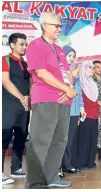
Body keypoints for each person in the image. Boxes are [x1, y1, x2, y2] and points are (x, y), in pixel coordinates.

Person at [25, 12, 77, 189]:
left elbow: (68, 73)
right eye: (56, 26)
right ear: (44, 26)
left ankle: (51, 177)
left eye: (60, 26)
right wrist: (66, 89)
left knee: (59, 140)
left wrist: (70, 88)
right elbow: (41, 73)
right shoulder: (35, 45)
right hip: (46, 99)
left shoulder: (60, 49)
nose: (59, 29)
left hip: (64, 100)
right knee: (40, 141)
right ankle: (34, 182)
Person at [2, 33, 30, 185]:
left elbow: (30, 83)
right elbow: (6, 81)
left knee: (21, 135)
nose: (24, 47)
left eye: (25, 44)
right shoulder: (5, 60)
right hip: (8, 104)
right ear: (12, 45)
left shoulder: (25, 63)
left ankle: (16, 168)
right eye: (21, 44)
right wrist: (22, 97)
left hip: (24, 106)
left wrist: (28, 98)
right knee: (4, 137)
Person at [60, 45, 86, 175]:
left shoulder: (74, 71)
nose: (71, 59)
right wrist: (73, 76)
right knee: (62, 139)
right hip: (64, 110)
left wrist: (81, 108)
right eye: (69, 55)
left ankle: (67, 164)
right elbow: (64, 86)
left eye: (73, 57)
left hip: (74, 111)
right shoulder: (60, 70)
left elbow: (79, 91)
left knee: (70, 139)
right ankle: (60, 166)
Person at [74, 61, 99, 170]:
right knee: (83, 140)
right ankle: (81, 162)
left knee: (93, 139)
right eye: (90, 67)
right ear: (84, 68)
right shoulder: (79, 83)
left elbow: (94, 100)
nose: (92, 70)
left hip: (94, 116)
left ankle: (90, 162)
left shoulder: (93, 83)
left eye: (93, 68)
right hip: (84, 116)